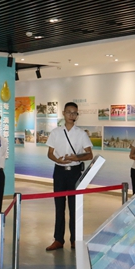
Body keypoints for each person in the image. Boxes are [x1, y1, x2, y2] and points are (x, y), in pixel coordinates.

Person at [45, 102, 93, 251]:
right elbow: (50, 153)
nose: (71, 115)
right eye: (69, 112)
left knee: (74, 207)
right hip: (59, 172)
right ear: (63, 113)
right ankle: (58, 239)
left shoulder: (81, 133)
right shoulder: (55, 132)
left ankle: (74, 239)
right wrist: (57, 160)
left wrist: (76, 158)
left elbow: (89, 154)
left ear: (77, 115)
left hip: (74, 172)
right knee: (59, 207)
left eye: (74, 113)